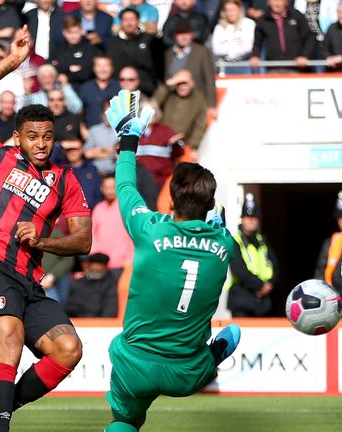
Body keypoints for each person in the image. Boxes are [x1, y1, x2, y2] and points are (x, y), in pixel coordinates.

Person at [0, 26, 92, 432]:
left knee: (69, 350)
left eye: (48, 137)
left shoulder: (65, 178)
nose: (41, 143)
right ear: (17, 137)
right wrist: (13, 62)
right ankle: (0, 428)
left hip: (30, 281)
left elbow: (84, 240)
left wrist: (45, 240)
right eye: (33, 136)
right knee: (11, 341)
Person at [101, 89, 240, 432]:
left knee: (126, 420)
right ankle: (213, 357)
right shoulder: (224, 244)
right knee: (232, 333)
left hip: (135, 365)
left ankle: (126, 423)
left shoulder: (151, 230)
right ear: (210, 206)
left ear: (171, 202)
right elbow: (220, 235)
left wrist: (129, 140)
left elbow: (125, 187)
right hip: (187, 374)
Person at [227, 193, 279, 317]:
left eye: (254, 216)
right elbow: (238, 270)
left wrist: (270, 284)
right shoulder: (234, 241)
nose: (251, 219)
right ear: (242, 218)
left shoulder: (262, 241)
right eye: (247, 216)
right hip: (242, 300)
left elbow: (275, 267)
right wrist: (261, 286)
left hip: (262, 303)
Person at [164, 21, 216, 114]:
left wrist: (211, 105)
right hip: (173, 101)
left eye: (186, 33)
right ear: (175, 36)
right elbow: (167, 78)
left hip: (195, 101)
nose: (183, 37)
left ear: (192, 35)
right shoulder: (169, 53)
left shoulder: (202, 52)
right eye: (180, 33)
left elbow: (209, 80)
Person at [107, 8, 161, 96]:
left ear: (138, 21)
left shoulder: (149, 40)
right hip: (118, 92)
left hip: (145, 90)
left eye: (132, 19)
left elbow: (158, 66)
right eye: (125, 20)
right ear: (121, 22)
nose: (129, 23)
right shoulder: (112, 42)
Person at [250, 0, 315, 72]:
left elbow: (310, 37)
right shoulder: (263, 20)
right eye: (274, 1)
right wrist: (255, 56)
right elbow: (257, 42)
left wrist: (305, 55)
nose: (277, 4)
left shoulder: (297, 16)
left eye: (280, 1)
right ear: (268, 2)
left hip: (296, 66)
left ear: (286, 2)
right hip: (273, 68)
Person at [90, 176, 133, 282]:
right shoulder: (98, 208)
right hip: (101, 262)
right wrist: (95, 254)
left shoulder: (125, 208)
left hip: (121, 263)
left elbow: (132, 233)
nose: (109, 191)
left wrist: (129, 258)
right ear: (101, 188)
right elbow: (93, 233)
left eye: (112, 187)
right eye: (106, 188)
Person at [152, 70, 206, 150]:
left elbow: (199, 125)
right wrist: (168, 84)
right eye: (178, 83)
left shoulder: (198, 99)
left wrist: (193, 146)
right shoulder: (169, 93)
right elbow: (153, 103)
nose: (181, 87)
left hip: (181, 144)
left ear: (192, 83)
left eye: (184, 83)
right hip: (161, 139)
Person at [49, 15, 99, 92]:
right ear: (63, 32)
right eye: (69, 33)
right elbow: (51, 66)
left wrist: (66, 75)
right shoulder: (58, 48)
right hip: (60, 90)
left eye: (76, 32)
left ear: (81, 30)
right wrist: (69, 68)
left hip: (83, 89)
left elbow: (86, 73)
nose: (73, 36)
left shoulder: (89, 47)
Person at [65, 253, 118, 317]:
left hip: (100, 323)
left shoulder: (111, 283)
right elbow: (70, 306)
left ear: (105, 266)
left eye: (99, 265)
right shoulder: (79, 283)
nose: (95, 268)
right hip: (78, 321)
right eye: (93, 265)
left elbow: (110, 309)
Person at [211, 0, 256, 74]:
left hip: (245, 64)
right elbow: (216, 50)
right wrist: (234, 45)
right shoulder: (219, 27)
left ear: (239, 10)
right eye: (227, 10)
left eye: (233, 10)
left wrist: (228, 45)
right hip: (225, 65)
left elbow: (248, 47)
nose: (230, 13)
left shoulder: (249, 24)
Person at [79, 54, 121, 128]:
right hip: (90, 134)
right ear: (94, 68)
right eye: (99, 66)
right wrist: (83, 130)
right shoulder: (86, 88)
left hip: (114, 134)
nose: (103, 69)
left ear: (112, 68)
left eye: (106, 66)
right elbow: (79, 112)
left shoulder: (120, 87)